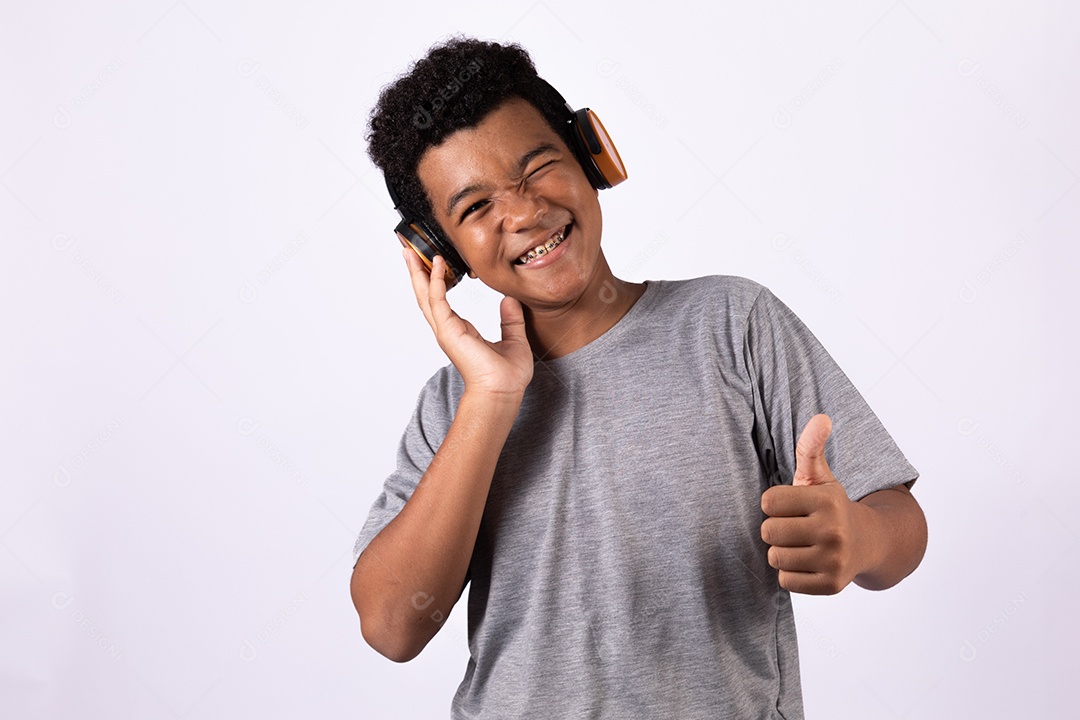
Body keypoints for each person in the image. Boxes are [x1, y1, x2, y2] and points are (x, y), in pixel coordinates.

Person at [349, 37, 927, 719]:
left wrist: (858, 536)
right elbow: (392, 627)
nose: (524, 212)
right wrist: (492, 398)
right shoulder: (453, 406)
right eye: (475, 208)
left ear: (593, 155)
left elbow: (901, 522)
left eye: (538, 167)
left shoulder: (730, 323)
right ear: (440, 253)